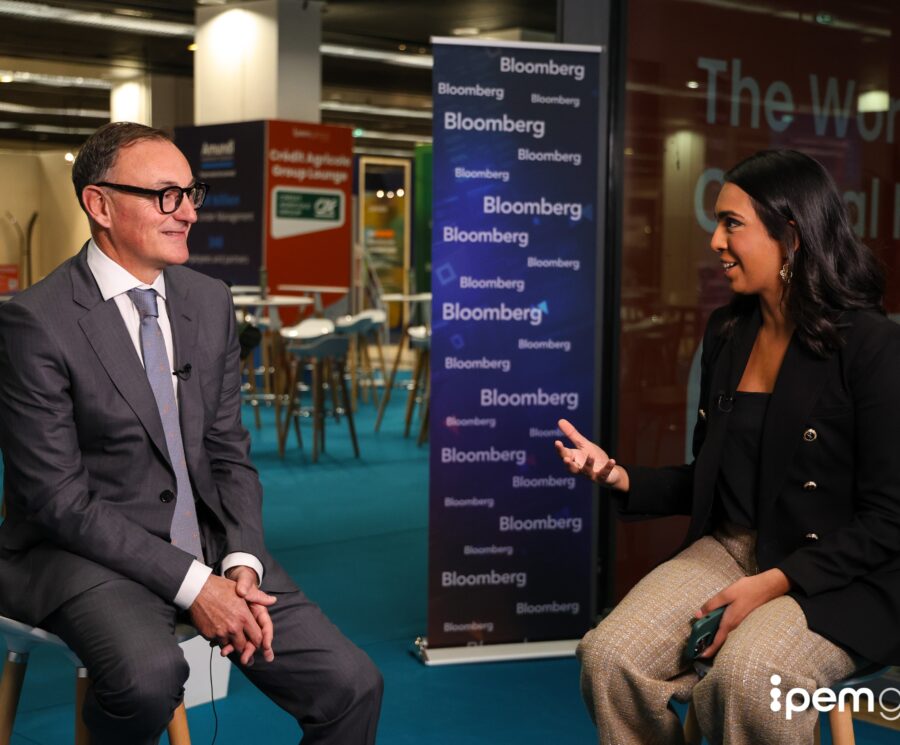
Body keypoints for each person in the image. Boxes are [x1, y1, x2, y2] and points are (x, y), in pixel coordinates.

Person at [0, 122, 382, 745]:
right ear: (99, 204)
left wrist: (241, 561)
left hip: (210, 547)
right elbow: (57, 502)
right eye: (165, 195)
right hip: (85, 555)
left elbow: (229, 451)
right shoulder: (35, 322)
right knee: (149, 680)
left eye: (191, 193)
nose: (187, 213)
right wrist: (194, 584)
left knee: (352, 684)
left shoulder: (208, 301)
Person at [556, 149, 900, 744]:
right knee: (610, 656)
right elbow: (713, 480)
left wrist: (773, 583)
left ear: (790, 235)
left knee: (749, 678)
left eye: (732, 223)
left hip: (844, 574)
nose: (715, 241)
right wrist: (617, 474)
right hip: (732, 547)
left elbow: (890, 519)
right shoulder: (728, 332)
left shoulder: (871, 346)